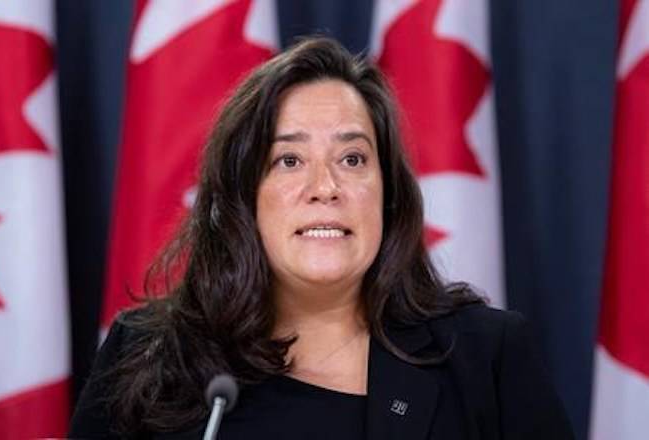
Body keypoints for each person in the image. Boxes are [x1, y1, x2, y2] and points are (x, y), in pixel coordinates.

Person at [69, 37, 574, 439]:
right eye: (289, 160)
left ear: (389, 193)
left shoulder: (486, 359)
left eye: (352, 159)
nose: (326, 188)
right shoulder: (150, 356)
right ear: (246, 195)